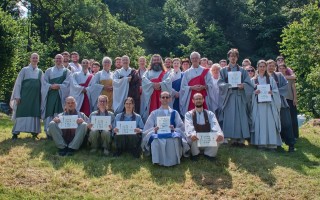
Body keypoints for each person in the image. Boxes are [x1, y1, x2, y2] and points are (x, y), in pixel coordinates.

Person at [142, 91, 189, 167]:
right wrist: (154, 129)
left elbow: (181, 127)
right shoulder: (154, 113)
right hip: (158, 134)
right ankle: (157, 160)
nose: (165, 99)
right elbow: (147, 128)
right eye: (163, 97)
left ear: (170, 99)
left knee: (175, 139)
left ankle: (174, 160)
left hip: (171, 133)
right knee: (155, 140)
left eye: (167, 97)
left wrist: (174, 129)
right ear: (160, 99)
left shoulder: (175, 113)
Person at [218, 49, 254, 146]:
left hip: (239, 95)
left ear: (237, 58)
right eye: (231, 56)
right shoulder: (223, 70)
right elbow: (220, 83)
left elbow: (248, 83)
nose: (233, 58)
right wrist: (227, 85)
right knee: (230, 117)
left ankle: (241, 139)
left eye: (235, 56)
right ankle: (232, 138)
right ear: (228, 57)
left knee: (240, 116)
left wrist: (244, 85)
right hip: (229, 95)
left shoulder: (242, 70)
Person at [10, 53, 44, 140]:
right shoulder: (24, 70)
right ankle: (15, 133)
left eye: (36, 58)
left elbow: (43, 85)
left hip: (36, 98)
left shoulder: (40, 72)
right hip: (24, 97)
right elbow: (18, 83)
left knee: (34, 113)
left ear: (38, 60)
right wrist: (17, 96)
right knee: (21, 113)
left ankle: (34, 133)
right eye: (33, 58)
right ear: (30, 59)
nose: (35, 59)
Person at [250, 60, 282, 150]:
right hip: (258, 106)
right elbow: (249, 94)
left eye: (264, 66)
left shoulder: (271, 79)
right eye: (260, 66)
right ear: (257, 67)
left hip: (269, 106)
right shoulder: (253, 80)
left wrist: (272, 92)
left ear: (266, 67)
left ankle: (272, 144)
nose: (262, 68)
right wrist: (254, 92)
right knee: (260, 124)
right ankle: (261, 144)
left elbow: (276, 91)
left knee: (270, 124)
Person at [185, 93, 224, 161]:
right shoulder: (188, 114)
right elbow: (189, 125)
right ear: (193, 101)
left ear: (203, 100)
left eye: (200, 99)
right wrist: (192, 134)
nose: (198, 100)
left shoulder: (210, 114)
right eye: (196, 99)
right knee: (190, 135)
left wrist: (218, 134)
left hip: (207, 140)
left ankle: (209, 154)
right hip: (195, 141)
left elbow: (215, 124)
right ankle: (195, 154)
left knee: (218, 135)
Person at [267, 59, 295, 152]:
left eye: (272, 65)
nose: (271, 67)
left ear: (275, 67)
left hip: (281, 103)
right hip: (268, 105)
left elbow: (286, 87)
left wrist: (274, 92)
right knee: (272, 125)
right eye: (269, 65)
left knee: (286, 123)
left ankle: (291, 144)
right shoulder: (263, 76)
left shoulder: (279, 75)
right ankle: (275, 144)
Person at [42, 54, 71, 138]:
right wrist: (50, 86)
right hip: (50, 94)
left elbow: (68, 83)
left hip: (61, 95)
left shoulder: (67, 71)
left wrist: (59, 86)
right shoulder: (48, 70)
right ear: (54, 60)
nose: (58, 60)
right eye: (57, 58)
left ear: (63, 60)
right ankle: (48, 132)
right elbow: (44, 82)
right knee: (50, 112)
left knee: (60, 112)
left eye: (60, 58)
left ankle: (59, 132)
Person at [180, 51, 216, 117]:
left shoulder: (206, 71)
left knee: (205, 115)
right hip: (191, 96)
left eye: (196, 58)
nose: (195, 60)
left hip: (204, 96)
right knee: (192, 115)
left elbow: (211, 84)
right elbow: (183, 87)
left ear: (199, 59)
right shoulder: (187, 72)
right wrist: (191, 87)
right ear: (191, 60)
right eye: (193, 58)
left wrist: (204, 87)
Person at [140, 54, 172, 122]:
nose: (156, 61)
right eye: (154, 60)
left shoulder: (166, 73)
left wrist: (160, 84)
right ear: (152, 62)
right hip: (151, 96)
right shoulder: (147, 72)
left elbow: (168, 81)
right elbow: (144, 80)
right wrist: (152, 85)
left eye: (158, 60)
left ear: (161, 61)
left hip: (162, 95)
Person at [278, 63, 299, 139]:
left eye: (283, 68)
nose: (281, 69)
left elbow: (294, 88)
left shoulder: (290, 79)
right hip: (281, 100)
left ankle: (295, 135)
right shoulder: (277, 78)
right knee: (283, 119)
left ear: (285, 69)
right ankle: (283, 136)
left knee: (293, 117)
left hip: (290, 99)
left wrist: (295, 98)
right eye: (280, 68)